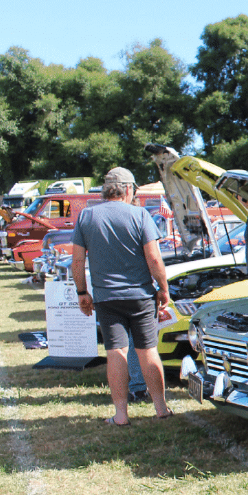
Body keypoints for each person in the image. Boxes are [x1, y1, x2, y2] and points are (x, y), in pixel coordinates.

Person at [72, 167, 172, 424]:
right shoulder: (140, 215)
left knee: (116, 352)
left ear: (106, 189)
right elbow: (154, 258)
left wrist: (82, 292)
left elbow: (77, 261)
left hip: (107, 298)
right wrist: (163, 288)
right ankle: (161, 408)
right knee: (148, 351)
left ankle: (121, 414)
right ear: (128, 189)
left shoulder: (86, 216)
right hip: (140, 296)